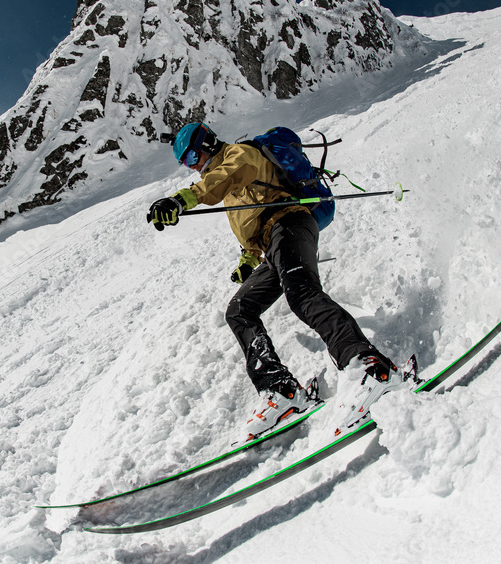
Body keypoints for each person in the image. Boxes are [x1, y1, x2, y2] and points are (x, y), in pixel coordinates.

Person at [147, 121, 405, 442]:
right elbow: (252, 227)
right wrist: (247, 261)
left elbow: (225, 180)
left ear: (208, 145)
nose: (193, 166)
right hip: (274, 242)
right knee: (240, 310)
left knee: (301, 293)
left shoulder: (240, 155)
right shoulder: (230, 184)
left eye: (191, 157)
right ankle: (281, 390)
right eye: (186, 163)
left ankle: (368, 367)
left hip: (292, 222)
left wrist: (181, 199)